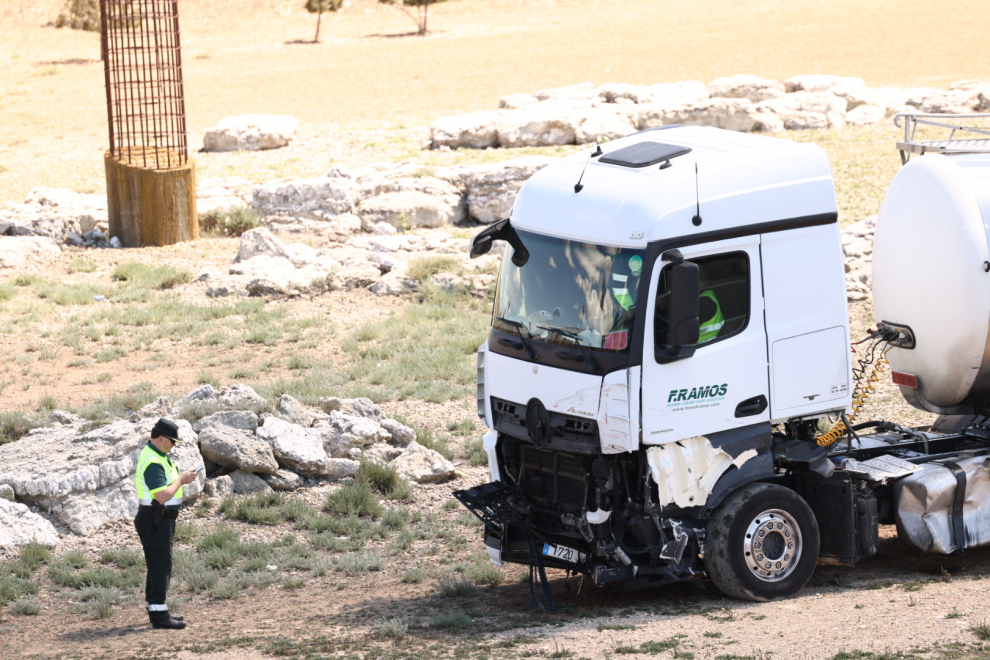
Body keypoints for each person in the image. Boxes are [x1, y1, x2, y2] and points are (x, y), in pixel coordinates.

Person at [134, 418, 198, 630]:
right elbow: (161, 496)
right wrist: (181, 480)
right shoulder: (153, 462)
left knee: (156, 565)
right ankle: (159, 615)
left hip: (158, 519)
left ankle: (156, 609)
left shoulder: (158, 456)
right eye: (172, 441)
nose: (174, 445)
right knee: (161, 566)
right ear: (161, 438)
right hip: (156, 519)